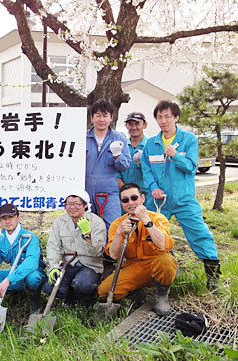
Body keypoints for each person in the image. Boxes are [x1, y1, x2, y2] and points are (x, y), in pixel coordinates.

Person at [141, 100, 221, 290]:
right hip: (159, 200)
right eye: (159, 117)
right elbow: (146, 170)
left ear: (176, 118)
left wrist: (175, 155)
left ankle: (213, 278)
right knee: (151, 236)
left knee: (200, 234)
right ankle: (160, 274)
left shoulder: (189, 139)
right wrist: (152, 187)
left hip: (184, 199)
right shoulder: (151, 144)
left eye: (167, 116)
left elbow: (191, 167)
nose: (163, 121)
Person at [97, 183, 178, 316]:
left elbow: (163, 244)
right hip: (133, 267)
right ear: (121, 203)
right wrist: (119, 234)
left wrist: (146, 220)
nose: (130, 203)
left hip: (156, 264)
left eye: (134, 198)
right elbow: (114, 255)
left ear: (143, 198)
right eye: (125, 200)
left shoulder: (157, 218)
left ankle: (162, 295)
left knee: (166, 260)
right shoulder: (117, 224)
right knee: (104, 292)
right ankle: (136, 290)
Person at [0, 204, 46, 315]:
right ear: (0, 221)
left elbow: (31, 264)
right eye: (4, 218)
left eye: (11, 217)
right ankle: (10, 292)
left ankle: (35, 302)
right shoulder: (0, 241)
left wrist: (8, 280)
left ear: (18, 218)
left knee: (33, 278)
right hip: (14, 277)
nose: (7, 221)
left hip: (30, 275)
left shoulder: (30, 237)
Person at [43, 190, 106, 305]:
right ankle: (70, 298)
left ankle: (87, 300)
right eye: (68, 204)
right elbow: (53, 245)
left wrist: (87, 233)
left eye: (76, 204)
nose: (72, 207)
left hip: (89, 265)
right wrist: (54, 267)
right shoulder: (60, 222)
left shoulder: (96, 222)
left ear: (85, 205)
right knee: (49, 287)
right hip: (69, 264)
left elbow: (97, 252)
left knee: (83, 284)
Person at [86, 99, 132, 229]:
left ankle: (110, 250)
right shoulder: (83, 138)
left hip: (109, 190)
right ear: (92, 117)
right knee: (85, 226)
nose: (102, 119)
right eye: (98, 115)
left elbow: (126, 166)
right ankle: (90, 250)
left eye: (105, 115)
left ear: (111, 117)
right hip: (85, 189)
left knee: (113, 226)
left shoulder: (119, 138)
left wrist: (117, 155)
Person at [116, 112, 153, 209]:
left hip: (146, 196)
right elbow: (115, 172)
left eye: (137, 124)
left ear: (145, 125)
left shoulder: (151, 146)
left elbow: (157, 172)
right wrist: (125, 190)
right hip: (125, 197)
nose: (134, 127)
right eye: (130, 124)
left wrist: (144, 164)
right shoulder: (121, 146)